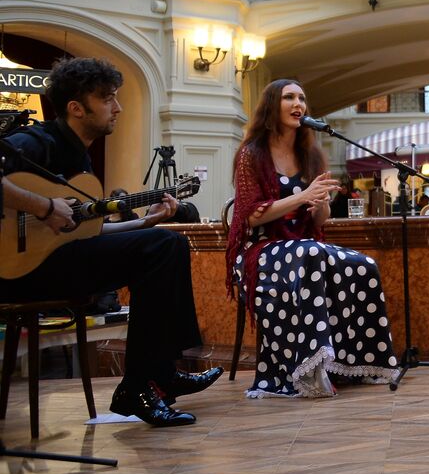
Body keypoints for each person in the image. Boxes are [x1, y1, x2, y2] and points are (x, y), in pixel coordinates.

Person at [0, 57, 218, 427]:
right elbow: (46, 211)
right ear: (76, 108)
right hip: (15, 271)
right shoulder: (35, 142)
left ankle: (159, 374)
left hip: (54, 262)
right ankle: (146, 382)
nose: (118, 108)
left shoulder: (80, 159)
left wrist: (146, 222)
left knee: (166, 241)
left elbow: (88, 232)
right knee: (162, 248)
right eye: (107, 99)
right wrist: (42, 205)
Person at [227, 79, 398, 398]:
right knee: (310, 254)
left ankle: (358, 364)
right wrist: (302, 195)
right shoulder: (252, 154)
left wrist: (320, 205)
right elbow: (250, 215)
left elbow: (320, 221)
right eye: (288, 97)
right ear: (270, 106)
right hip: (261, 250)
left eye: (302, 98)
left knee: (364, 265)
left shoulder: (311, 154)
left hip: (303, 247)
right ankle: (308, 370)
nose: (298, 104)